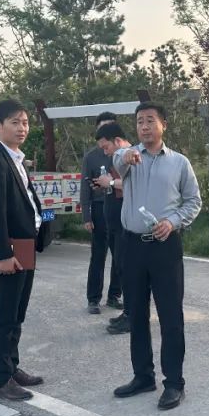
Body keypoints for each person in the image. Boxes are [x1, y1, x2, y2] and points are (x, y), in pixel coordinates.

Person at [111, 103, 202, 410]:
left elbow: (193, 201)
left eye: (150, 120)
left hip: (165, 246)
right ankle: (143, 376)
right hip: (132, 246)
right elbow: (117, 159)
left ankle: (174, 383)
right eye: (140, 122)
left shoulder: (179, 163)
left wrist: (172, 222)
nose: (145, 126)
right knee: (136, 314)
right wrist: (125, 156)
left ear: (163, 125)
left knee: (170, 316)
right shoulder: (129, 157)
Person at [0, 100, 51, 401]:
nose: (22, 128)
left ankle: (12, 367)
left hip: (26, 244)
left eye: (25, 122)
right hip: (11, 248)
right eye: (14, 122)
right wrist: (5, 254)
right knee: (5, 315)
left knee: (17, 312)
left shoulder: (16, 159)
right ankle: (0, 379)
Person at [81, 112, 124, 315]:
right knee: (98, 255)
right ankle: (93, 299)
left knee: (119, 255)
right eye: (102, 126)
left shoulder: (125, 153)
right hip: (99, 209)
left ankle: (114, 296)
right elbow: (85, 187)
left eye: (110, 126)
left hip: (120, 206)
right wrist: (86, 216)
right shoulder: (91, 156)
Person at [94, 122, 133, 335]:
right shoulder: (118, 158)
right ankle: (128, 313)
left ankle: (133, 316)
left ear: (117, 141)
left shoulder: (132, 157)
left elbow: (132, 186)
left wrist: (109, 183)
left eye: (106, 146)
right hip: (115, 225)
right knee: (121, 268)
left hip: (127, 226)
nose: (105, 151)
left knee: (128, 270)